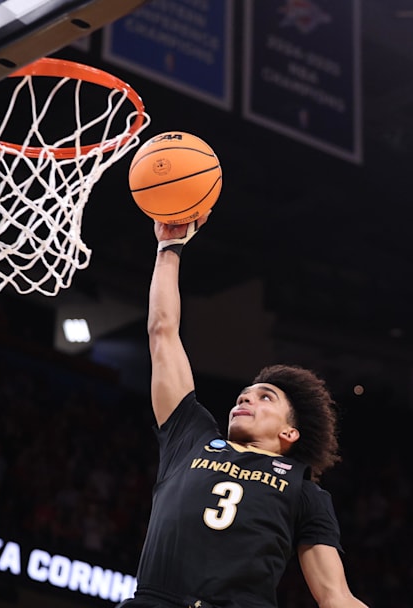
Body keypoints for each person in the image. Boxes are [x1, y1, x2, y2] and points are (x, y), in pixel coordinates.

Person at [119, 216, 368, 608]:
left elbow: (336, 597)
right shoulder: (192, 437)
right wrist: (168, 250)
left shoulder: (305, 492)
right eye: (245, 394)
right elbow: (162, 332)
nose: (245, 399)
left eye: (265, 397)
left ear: (290, 433)